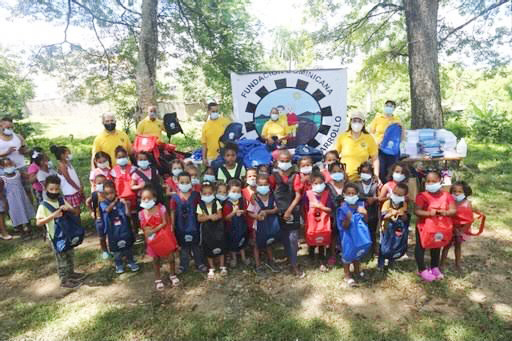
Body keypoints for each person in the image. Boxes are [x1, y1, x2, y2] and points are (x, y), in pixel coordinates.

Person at [36, 175, 86, 289]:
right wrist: (53, 215)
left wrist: (69, 209)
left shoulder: (61, 200)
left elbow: (74, 212)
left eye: (57, 189)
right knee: (61, 258)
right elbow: (39, 222)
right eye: (51, 189)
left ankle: (71, 273)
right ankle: (64, 280)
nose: (54, 192)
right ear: (46, 189)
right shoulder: (43, 206)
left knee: (69, 254)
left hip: (67, 233)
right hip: (55, 237)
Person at [414, 171, 456, 282]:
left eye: (434, 181)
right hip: (424, 227)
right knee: (421, 246)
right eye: (428, 181)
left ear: (440, 181)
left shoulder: (446, 196)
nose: (431, 183)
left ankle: (434, 267)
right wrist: (429, 213)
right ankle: (422, 269)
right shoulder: (422, 196)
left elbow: (453, 210)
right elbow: (417, 211)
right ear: (425, 183)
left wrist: (445, 212)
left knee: (437, 245)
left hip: (440, 226)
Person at [139, 186, 180, 290]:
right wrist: (149, 235)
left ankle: (172, 274)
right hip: (152, 239)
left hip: (164, 236)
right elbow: (144, 228)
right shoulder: (142, 213)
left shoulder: (161, 208)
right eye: (143, 198)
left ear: (155, 198)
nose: (146, 200)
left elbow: (165, 222)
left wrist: (154, 230)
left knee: (171, 257)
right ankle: (158, 278)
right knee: (156, 259)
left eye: (149, 198)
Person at [270, 150, 302, 277]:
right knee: (284, 237)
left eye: (287, 161)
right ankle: (289, 259)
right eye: (282, 161)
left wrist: (289, 210)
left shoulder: (296, 176)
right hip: (278, 212)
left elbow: (298, 195)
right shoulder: (273, 176)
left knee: (293, 238)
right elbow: (271, 192)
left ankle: (294, 265)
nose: (284, 163)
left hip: (292, 211)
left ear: (291, 161)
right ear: (277, 162)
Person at [169, 172, 207, 274]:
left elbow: (201, 208)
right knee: (183, 247)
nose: (185, 184)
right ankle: (183, 265)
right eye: (182, 182)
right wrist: (172, 225)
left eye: (187, 182)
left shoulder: (196, 195)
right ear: (177, 182)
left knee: (196, 246)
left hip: (194, 225)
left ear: (191, 182)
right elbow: (172, 211)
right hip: (180, 226)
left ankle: (200, 263)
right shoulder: (174, 198)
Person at [100, 181, 140, 274]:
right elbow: (107, 210)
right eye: (107, 193)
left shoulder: (121, 202)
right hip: (113, 231)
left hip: (124, 229)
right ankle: (119, 264)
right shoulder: (103, 203)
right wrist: (114, 202)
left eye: (112, 193)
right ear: (104, 194)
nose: (110, 195)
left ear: (115, 192)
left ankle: (131, 262)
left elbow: (128, 214)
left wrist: (126, 204)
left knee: (128, 247)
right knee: (116, 251)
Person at [337, 182, 368, 287]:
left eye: (353, 193)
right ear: (344, 194)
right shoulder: (343, 209)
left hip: (359, 236)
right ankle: (347, 275)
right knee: (347, 255)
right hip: (348, 237)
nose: (351, 195)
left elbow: (366, 221)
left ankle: (357, 271)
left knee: (357, 254)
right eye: (348, 193)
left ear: (357, 194)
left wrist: (365, 213)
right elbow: (343, 226)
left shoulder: (361, 205)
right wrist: (348, 218)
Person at [247, 174, 280, 274]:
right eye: (260, 185)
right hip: (258, 226)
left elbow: (276, 209)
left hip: (270, 224)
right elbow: (249, 212)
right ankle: (258, 265)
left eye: (265, 184)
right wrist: (256, 217)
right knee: (257, 245)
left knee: (269, 243)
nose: (263, 187)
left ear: (269, 185)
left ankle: (271, 261)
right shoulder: (254, 198)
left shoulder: (272, 196)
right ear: (256, 186)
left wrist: (267, 212)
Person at [334, 112, 379, 182]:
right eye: (354, 121)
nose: (357, 123)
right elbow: (334, 156)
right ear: (350, 122)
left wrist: (376, 176)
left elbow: (375, 159)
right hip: (343, 178)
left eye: (359, 121)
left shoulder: (369, 138)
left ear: (363, 123)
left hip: (362, 179)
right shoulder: (343, 137)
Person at [304, 172, 334, 271]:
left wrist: (320, 207)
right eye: (315, 183)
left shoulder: (327, 195)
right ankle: (311, 257)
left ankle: (322, 260)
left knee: (322, 242)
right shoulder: (307, 194)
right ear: (311, 184)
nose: (318, 185)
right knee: (311, 240)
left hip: (323, 224)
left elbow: (330, 209)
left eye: (320, 183)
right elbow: (304, 208)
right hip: (311, 223)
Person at [369, 100, 405, 182]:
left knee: (392, 169)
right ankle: (381, 188)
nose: (389, 107)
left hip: (393, 149)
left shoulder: (397, 120)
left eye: (391, 106)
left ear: (394, 108)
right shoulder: (378, 118)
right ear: (384, 107)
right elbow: (371, 133)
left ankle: (391, 187)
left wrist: (402, 127)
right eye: (387, 105)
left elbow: (401, 136)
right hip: (380, 148)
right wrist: (376, 142)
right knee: (381, 169)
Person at [441, 181, 473, 272]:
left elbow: (469, 218)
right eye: (454, 191)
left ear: (465, 193)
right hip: (449, 228)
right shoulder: (449, 202)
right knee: (446, 246)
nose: (456, 193)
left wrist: (462, 231)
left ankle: (458, 264)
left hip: (461, 230)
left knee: (458, 246)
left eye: (460, 192)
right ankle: (442, 263)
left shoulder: (467, 203)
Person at [197, 182, 227, 279]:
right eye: (205, 194)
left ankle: (222, 266)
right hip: (206, 230)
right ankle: (212, 267)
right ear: (201, 194)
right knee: (208, 246)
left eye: (209, 193)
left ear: (213, 193)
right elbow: (199, 218)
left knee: (221, 244)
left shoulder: (216, 202)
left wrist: (211, 217)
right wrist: (210, 217)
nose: (207, 195)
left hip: (218, 228)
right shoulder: (200, 205)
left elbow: (220, 215)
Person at [0, 158, 35, 239]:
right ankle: (22, 232)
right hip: (11, 200)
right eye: (6, 165)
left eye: (10, 164)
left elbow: (28, 176)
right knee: (15, 214)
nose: (9, 166)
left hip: (22, 197)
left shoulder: (18, 173)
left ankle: (29, 229)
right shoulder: (2, 178)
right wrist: (4, 202)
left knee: (26, 211)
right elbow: (1, 192)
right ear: (2, 167)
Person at [378, 182, 409, 270]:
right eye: (395, 193)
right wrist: (392, 213)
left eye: (399, 195)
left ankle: (391, 262)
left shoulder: (404, 204)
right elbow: (383, 216)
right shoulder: (387, 203)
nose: (396, 196)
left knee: (394, 245)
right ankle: (381, 264)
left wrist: (403, 215)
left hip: (395, 230)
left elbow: (405, 218)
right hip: (385, 229)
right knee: (383, 245)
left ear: (404, 196)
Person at [223, 179, 250, 268]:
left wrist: (242, 212)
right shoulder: (227, 204)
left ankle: (243, 257)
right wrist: (233, 213)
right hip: (231, 228)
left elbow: (246, 210)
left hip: (241, 226)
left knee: (242, 241)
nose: (236, 193)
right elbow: (226, 217)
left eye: (238, 192)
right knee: (232, 243)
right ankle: (233, 258)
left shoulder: (241, 201)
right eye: (233, 191)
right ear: (228, 191)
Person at [50, 145, 83, 214]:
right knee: (75, 211)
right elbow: (68, 179)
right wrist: (77, 188)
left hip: (75, 189)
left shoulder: (67, 163)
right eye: (68, 153)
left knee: (78, 209)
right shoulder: (62, 165)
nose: (70, 154)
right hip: (70, 191)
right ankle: (76, 224)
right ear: (62, 155)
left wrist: (80, 185)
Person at [356, 162, 380, 256]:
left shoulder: (376, 184)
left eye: (368, 172)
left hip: (373, 211)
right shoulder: (356, 184)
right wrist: (366, 199)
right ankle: (362, 249)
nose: (365, 174)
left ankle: (374, 248)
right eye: (363, 172)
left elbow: (381, 196)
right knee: (361, 230)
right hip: (360, 211)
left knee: (372, 231)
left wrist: (374, 199)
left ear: (372, 173)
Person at [111, 146, 138, 228]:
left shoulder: (133, 169)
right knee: (124, 216)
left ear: (127, 156)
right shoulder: (113, 171)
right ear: (116, 158)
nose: (122, 159)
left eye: (124, 156)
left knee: (134, 216)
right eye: (119, 157)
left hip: (133, 197)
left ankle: (135, 231)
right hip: (121, 198)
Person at [326, 161, 346, 266]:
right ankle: (332, 255)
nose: (337, 173)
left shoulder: (348, 185)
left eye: (339, 171)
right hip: (332, 216)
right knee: (333, 236)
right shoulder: (327, 186)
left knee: (346, 235)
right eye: (334, 171)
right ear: (330, 173)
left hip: (346, 215)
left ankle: (346, 254)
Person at [86, 174, 109, 259]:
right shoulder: (95, 195)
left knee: (111, 233)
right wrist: (91, 211)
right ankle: (105, 251)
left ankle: (113, 248)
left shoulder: (109, 193)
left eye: (104, 183)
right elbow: (88, 202)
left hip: (108, 217)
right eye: (99, 183)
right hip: (99, 219)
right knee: (101, 236)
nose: (101, 185)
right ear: (95, 184)